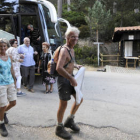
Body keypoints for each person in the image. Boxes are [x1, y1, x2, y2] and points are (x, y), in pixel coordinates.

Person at [55, 27, 83, 139]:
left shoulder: (72, 49)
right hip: (64, 79)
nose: (75, 38)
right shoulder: (64, 50)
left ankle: (69, 120)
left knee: (79, 99)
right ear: (67, 38)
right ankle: (59, 127)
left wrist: (75, 66)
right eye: (73, 36)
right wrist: (71, 78)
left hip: (70, 77)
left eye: (76, 37)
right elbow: (59, 68)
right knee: (63, 104)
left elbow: (69, 61)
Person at [0, 38, 17, 137]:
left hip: (10, 82)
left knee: (13, 102)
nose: (2, 48)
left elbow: (11, 69)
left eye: (4, 46)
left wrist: (14, 80)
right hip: (0, 84)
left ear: (7, 46)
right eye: (0, 46)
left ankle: (3, 112)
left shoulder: (9, 56)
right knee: (2, 105)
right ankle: (1, 123)